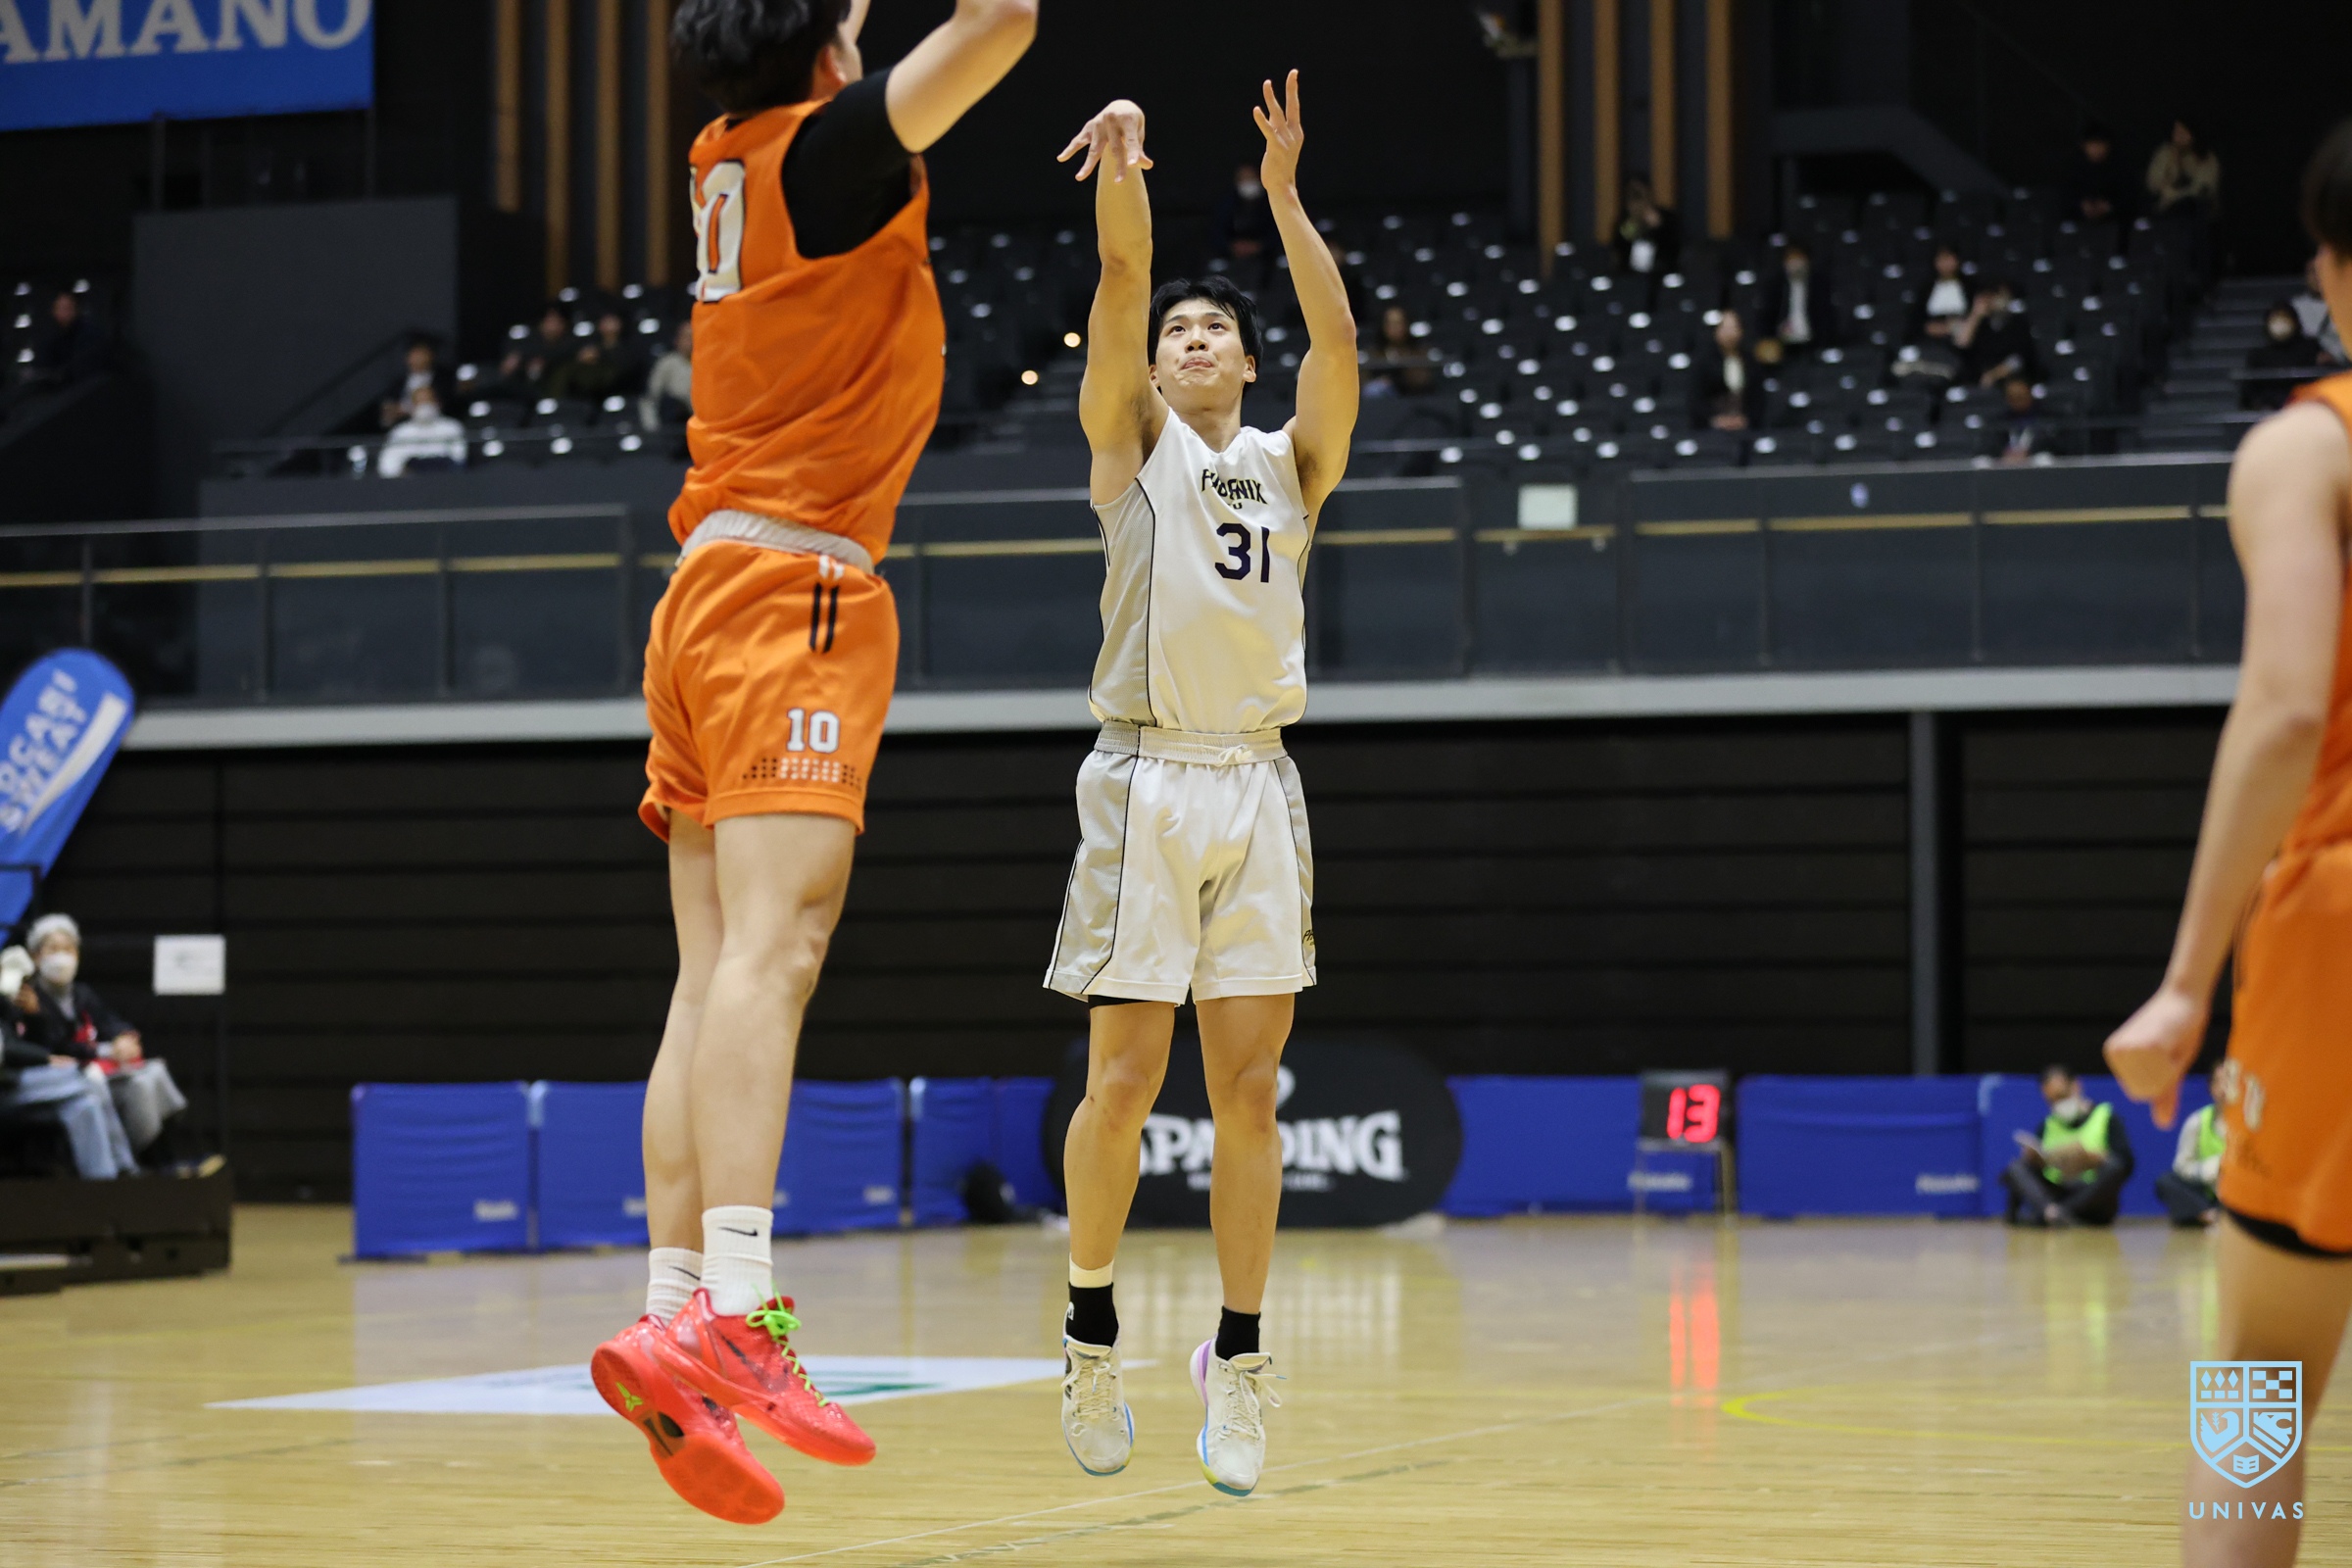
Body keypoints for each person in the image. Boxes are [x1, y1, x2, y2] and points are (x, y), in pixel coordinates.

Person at [585, 0, 1036, 1530]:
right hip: (795, 590)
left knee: (710, 972)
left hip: (704, 586)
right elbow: (1005, 21)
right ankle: (739, 1312)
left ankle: (671, 1323)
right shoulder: (829, 150)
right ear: (827, 46)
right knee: (775, 957)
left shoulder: (727, 150)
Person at [1046, 71, 1355, 1500]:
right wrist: (1127, 163)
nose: (1194, 336)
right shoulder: (1135, 448)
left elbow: (1337, 338)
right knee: (1123, 1081)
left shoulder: (1293, 465)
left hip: (1258, 785)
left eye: (1215, 327)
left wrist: (1283, 195)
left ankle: (1235, 1361)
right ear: (1160, 371)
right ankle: (1089, 1332)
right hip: (1146, 779)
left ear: (1243, 359)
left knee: (1249, 1094)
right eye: (1181, 332)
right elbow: (1124, 276)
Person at [2104, 120, 2352, 1568]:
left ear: (2332, 268)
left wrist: (2189, 981)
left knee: (2258, 1369)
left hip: (2337, 932)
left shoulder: (2306, 446)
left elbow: (2282, 713)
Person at [22, 913, 189, 1157]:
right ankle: (144, 1161)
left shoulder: (81, 993)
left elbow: (108, 1020)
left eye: (68, 949)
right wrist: (107, 1051)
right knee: (140, 1085)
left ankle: (168, 1158)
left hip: (99, 1068)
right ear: (36, 956)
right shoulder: (30, 999)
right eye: (53, 949)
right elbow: (56, 1044)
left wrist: (123, 1037)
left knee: (155, 1070)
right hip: (73, 1074)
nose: (61, 956)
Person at [0, 945, 138, 1180]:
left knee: (85, 1106)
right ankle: (126, 1168)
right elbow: (6, 1048)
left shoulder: (11, 1003)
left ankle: (104, 1183)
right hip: (6, 1085)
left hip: (27, 1081)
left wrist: (33, 1014)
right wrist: (46, 1058)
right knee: (89, 1076)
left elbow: (44, 1041)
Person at [2000, 1064, 2134, 1226]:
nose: (2058, 1104)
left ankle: (2060, 1213)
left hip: (2092, 1197)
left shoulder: (2105, 1116)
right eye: (2051, 1101)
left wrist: (2097, 1158)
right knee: (2017, 1167)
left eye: (2062, 1096)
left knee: (2114, 1166)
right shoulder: (2048, 1124)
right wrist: (2035, 1160)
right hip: (2058, 1191)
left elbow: (2126, 1163)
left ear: (2076, 1085)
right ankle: (2050, 1211)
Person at [2243, 301, 2331, 413]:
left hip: (2307, 408)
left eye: (2285, 317)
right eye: (2275, 318)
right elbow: (2249, 393)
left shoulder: (2311, 348)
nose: (2280, 323)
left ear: (2294, 321)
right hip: (2270, 413)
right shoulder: (2258, 355)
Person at [1954, 278, 2036, 388]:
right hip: (1979, 378)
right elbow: (1962, 343)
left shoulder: (2018, 323)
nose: (1991, 301)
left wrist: (1994, 374)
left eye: (1996, 295)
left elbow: (2019, 359)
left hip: (2012, 378)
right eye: (1987, 297)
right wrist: (1976, 315)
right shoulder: (1978, 323)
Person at [2156, 1102, 2225, 1228]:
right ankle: (2208, 1214)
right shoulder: (2197, 1121)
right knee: (2167, 1181)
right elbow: (2181, 1166)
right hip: (2208, 1188)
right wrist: (2205, 1171)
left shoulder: (2250, 1117)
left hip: (2238, 1186)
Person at [1692, 308, 1761, 430]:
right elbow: (1697, 398)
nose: (1730, 334)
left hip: (1745, 427)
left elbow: (1757, 397)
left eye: (1733, 328)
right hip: (1712, 428)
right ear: (1717, 332)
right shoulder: (1704, 363)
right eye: (1725, 328)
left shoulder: (1750, 361)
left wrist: (1746, 419)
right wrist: (1717, 420)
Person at [1209, 161, 1276, 287]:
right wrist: (1232, 246)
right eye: (1243, 179)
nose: (1248, 183)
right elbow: (1217, 231)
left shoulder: (1272, 203)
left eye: (1251, 178)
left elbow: (1278, 233)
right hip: (1231, 255)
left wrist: (1259, 246)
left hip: (1266, 256)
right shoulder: (1227, 204)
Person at [376, 387, 468, 476]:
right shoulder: (400, 431)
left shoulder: (452, 427)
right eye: (420, 402)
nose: (425, 407)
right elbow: (387, 465)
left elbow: (459, 457)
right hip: (410, 482)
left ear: (437, 403)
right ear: (411, 405)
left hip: (445, 479)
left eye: (428, 401)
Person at [2146, 118, 2221, 220]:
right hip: (2166, 211)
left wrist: (2176, 195)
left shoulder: (2206, 157)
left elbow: (2203, 189)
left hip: (2197, 211)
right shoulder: (2165, 152)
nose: (2178, 137)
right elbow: (2152, 181)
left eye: (2183, 132)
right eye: (2176, 132)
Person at [2065, 121, 2133, 227]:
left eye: (2100, 144)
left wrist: (2108, 207)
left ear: (2108, 145)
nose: (2096, 149)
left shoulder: (2119, 167)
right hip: (2080, 225)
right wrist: (2082, 206)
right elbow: (2065, 197)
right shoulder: (2074, 167)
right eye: (2092, 144)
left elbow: (2130, 197)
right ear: (2083, 146)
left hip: (2114, 225)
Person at [1765, 240, 1828, 354]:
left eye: (1798, 257)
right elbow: (1768, 317)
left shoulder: (1819, 285)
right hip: (1783, 345)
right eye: (1791, 257)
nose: (1795, 262)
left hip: (1813, 344)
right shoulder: (1776, 286)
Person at [1613, 173, 1679, 280]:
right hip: (1630, 278)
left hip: (1661, 277)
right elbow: (1618, 254)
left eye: (1639, 197)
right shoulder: (1624, 223)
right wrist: (1632, 228)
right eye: (1632, 198)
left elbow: (1674, 251)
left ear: (1649, 196)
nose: (1638, 204)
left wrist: (1659, 227)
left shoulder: (1667, 219)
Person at [1361, 305, 1436, 398]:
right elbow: (1363, 381)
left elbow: (1423, 381)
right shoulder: (1373, 353)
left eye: (1398, 323)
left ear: (1406, 324)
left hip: (1411, 400)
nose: (1395, 327)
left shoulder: (1418, 352)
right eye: (1390, 323)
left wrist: (1400, 378)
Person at [499, 305, 575, 394]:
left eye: (556, 321)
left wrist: (545, 363)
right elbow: (517, 356)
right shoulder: (531, 339)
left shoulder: (569, 342)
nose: (550, 325)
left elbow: (565, 355)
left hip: (551, 384)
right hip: (519, 381)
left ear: (564, 325)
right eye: (548, 320)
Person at [378, 336, 449, 428]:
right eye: (413, 354)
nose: (417, 358)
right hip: (404, 428)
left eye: (421, 354)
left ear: (431, 356)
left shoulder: (444, 379)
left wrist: (407, 410)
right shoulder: (397, 383)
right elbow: (388, 408)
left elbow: (445, 404)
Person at [641, 320, 695, 428]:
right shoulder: (667, 363)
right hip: (674, 421)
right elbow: (651, 398)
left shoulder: (707, 364)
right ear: (677, 340)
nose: (690, 341)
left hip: (700, 419)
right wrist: (652, 428)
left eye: (693, 336)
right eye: (687, 337)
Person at [1988, 374, 2052, 465]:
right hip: (2005, 465)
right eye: (2012, 398)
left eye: (2020, 396)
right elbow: (1990, 445)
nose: (2017, 401)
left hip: (2035, 465)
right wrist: (2003, 453)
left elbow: (2055, 446)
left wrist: (2030, 452)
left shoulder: (2046, 418)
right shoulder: (1999, 421)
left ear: (2029, 394)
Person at [1914, 244, 1974, 334]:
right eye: (1941, 259)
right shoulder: (1926, 289)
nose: (1945, 263)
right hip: (1932, 336)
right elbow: (1918, 319)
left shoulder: (1970, 287)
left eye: (1948, 258)